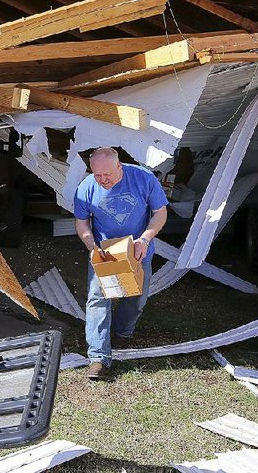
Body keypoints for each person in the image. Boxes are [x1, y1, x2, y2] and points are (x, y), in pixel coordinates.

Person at [71, 147, 168, 380]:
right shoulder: (85, 188)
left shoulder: (143, 178)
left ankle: (123, 332)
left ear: (119, 166)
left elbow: (160, 212)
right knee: (98, 298)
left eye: (108, 175)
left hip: (138, 250)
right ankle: (98, 358)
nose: (103, 180)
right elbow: (82, 222)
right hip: (104, 250)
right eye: (98, 176)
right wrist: (91, 245)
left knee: (136, 298)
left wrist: (145, 239)